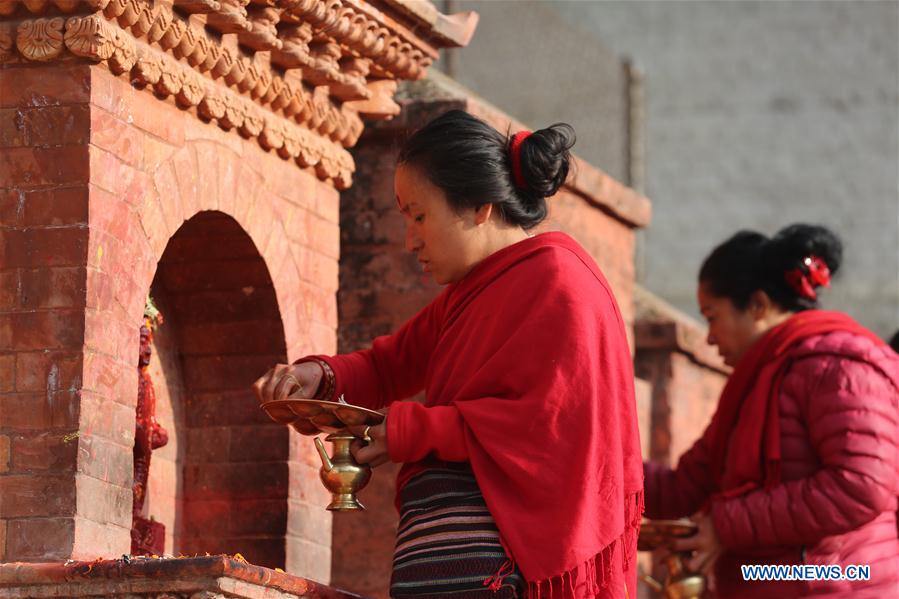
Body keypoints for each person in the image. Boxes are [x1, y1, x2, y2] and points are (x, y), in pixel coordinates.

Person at [254, 110, 643, 598]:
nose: (410, 239)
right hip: (439, 555)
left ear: (480, 206)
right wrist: (318, 376)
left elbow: (543, 429)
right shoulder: (469, 292)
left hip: (506, 566)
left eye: (419, 215)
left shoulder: (562, 283)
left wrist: (406, 430)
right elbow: (387, 364)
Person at [644, 224, 899, 598]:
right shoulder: (751, 386)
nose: (709, 337)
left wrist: (726, 525)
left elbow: (862, 486)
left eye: (712, 316)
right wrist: (596, 465)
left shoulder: (837, 366)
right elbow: (683, 489)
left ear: (759, 306)